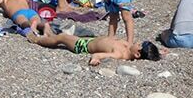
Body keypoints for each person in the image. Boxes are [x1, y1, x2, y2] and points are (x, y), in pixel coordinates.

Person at [28, 30, 161, 65]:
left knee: (62, 37)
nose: (137, 42)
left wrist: (95, 59)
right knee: (62, 36)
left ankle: (38, 40)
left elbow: (100, 55)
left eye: (139, 45)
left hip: (82, 45)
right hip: (89, 40)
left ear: (137, 54)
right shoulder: (128, 47)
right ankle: (49, 37)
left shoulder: (119, 54)